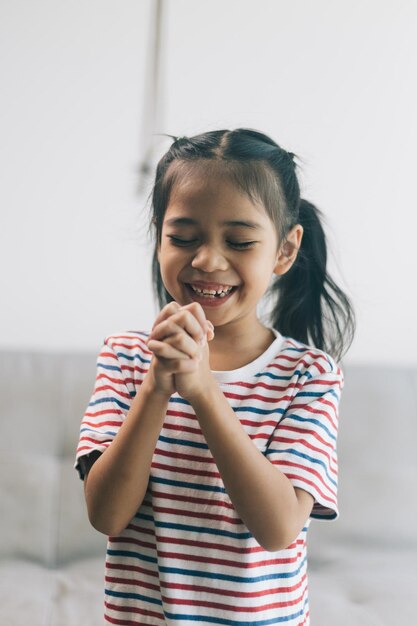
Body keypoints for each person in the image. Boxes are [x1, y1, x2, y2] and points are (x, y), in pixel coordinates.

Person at [75, 128, 356, 625]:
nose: (206, 260)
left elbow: (278, 529)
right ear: (158, 237)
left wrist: (203, 390)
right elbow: (107, 515)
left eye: (240, 241)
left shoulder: (309, 377)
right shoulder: (125, 358)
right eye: (183, 238)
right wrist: (157, 388)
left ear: (285, 251)